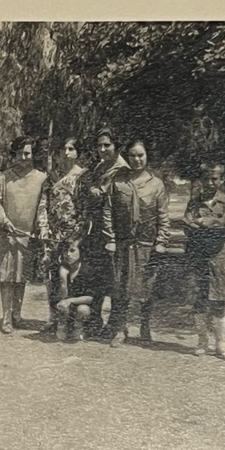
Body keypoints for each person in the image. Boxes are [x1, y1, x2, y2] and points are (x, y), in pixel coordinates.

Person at [103, 140, 171, 347]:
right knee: (120, 287)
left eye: (141, 155)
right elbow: (108, 211)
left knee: (146, 288)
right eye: (133, 155)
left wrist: (161, 241)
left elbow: (163, 216)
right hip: (123, 244)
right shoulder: (118, 181)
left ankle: (145, 325)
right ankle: (120, 329)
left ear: (147, 156)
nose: (137, 159)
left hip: (146, 244)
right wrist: (111, 239)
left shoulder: (156, 184)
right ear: (128, 157)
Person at [182, 163, 225, 361]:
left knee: (219, 300)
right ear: (200, 180)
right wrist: (208, 223)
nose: (210, 182)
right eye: (207, 178)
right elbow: (187, 224)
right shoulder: (194, 203)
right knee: (199, 298)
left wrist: (205, 222)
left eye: (215, 179)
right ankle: (202, 341)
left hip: (220, 256)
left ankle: (220, 344)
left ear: (221, 180)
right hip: (199, 256)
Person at [0, 136, 49, 334]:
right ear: (13, 154)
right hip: (6, 234)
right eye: (19, 153)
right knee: (7, 278)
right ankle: (6, 317)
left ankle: (17, 315)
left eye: (27, 153)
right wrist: (4, 221)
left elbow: (43, 205)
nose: (23, 157)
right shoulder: (4, 177)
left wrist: (41, 227)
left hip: (27, 235)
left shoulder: (41, 178)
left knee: (21, 276)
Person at [75, 128, 129, 337]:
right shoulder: (100, 167)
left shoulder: (122, 169)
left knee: (115, 279)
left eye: (107, 145)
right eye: (99, 145)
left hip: (115, 231)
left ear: (116, 146)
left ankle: (116, 325)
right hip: (96, 230)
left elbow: (119, 198)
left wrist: (100, 193)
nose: (103, 149)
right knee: (96, 277)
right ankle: (94, 322)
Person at [41, 138, 87, 334]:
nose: (67, 153)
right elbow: (43, 204)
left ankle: (75, 322)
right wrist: (43, 228)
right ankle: (55, 319)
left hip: (74, 238)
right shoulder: (51, 177)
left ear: (78, 153)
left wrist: (77, 237)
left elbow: (85, 211)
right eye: (63, 149)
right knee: (53, 279)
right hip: (53, 236)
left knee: (73, 280)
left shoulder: (83, 177)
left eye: (71, 149)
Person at [51, 238, 95, 342]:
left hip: (83, 306)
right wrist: (63, 279)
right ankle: (62, 327)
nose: (68, 255)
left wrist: (70, 300)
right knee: (62, 306)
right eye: (65, 251)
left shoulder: (87, 270)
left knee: (83, 309)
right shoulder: (60, 270)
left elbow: (90, 298)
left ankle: (79, 329)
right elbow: (60, 298)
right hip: (66, 308)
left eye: (72, 250)